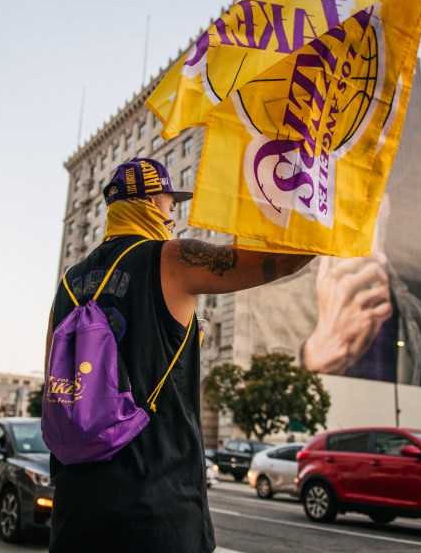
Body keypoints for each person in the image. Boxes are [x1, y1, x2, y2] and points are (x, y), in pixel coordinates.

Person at [45, 157, 312, 553]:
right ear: (154, 200)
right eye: (173, 204)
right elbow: (286, 259)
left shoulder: (67, 285)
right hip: (157, 508)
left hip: (75, 509)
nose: (173, 215)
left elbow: (56, 389)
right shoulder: (171, 258)